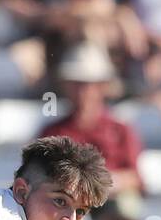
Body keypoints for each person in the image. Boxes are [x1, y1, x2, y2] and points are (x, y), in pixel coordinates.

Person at [38, 43, 142, 193]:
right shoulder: (52, 132)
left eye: (89, 85)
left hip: (110, 201)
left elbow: (135, 178)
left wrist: (102, 184)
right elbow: (40, 177)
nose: (83, 92)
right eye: (77, 84)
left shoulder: (121, 131)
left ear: (103, 87)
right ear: (66, 86)